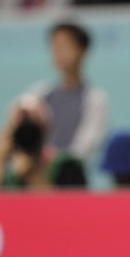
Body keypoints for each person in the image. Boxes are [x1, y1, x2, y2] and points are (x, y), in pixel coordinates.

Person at [26, 21, 109, 167]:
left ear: (83, 50)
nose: (60, 53)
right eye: (55, 47)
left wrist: (55, 158)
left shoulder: (95, 99)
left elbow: (84, 147)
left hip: (72, 177)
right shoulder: (39, 94)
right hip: (39, 175)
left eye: (66, 46)